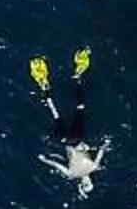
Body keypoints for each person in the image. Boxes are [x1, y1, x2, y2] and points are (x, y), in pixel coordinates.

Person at [31, 49, 108, 198]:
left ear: (82, 183)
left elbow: (101, 150)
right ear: (90, 181)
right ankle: (47, 91)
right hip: (69, 140)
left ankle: (76, 79)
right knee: (57, 116)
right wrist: (45, 159)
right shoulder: (74, 174)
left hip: (75, 138)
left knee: (77, 109)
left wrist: (104, 145)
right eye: (89, 183)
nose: (87, 181)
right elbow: (101, 151)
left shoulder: (90, 168)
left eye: (86, 184)